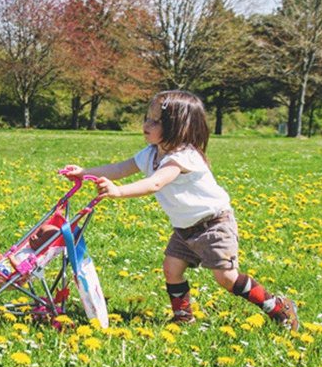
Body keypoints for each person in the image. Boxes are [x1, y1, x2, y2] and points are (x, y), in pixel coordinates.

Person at [62, 90, 299, 330]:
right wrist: (84, 172)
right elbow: (120, 168)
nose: (146, 123)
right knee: (171, 269)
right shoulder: (151, 154)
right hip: (186, 228)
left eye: (156, 121)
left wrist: (119, 191)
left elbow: (156, 183)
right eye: (147, 117)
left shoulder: (185, 156)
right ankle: (183, 317)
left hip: (214, 224)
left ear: (178, 127)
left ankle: (278, 307)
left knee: (226, 278)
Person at [0, 224, 60, 294]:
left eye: (39, 237)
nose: (34, 236)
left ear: (46, 245)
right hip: (5, 269)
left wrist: (11, 259)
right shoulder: (28, 248)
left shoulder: (37, 258)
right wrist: (2, 260)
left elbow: (23, 270)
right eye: (37, 233)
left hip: (11, 279)